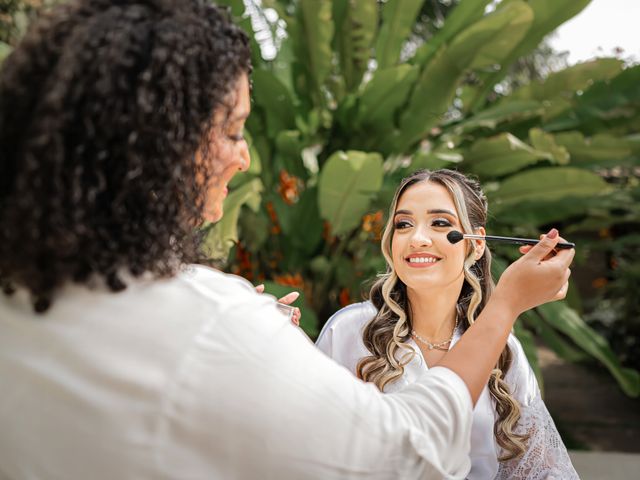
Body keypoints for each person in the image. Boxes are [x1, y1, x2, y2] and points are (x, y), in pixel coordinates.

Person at [0, 1, 573, 478]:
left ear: (476, 245)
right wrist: (507, 305)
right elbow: (405, 455)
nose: (244, 156)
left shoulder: (23, 303)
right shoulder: (338, 330)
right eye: (230, 129)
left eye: (441, 223)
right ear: (159, 142)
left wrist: (245, 347)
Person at [316, 169, 579, 479]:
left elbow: (542, 469)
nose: (417, 239)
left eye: (440, 223)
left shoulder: (502, 346)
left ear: (477, 243)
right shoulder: (348, 332)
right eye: (403, 225)